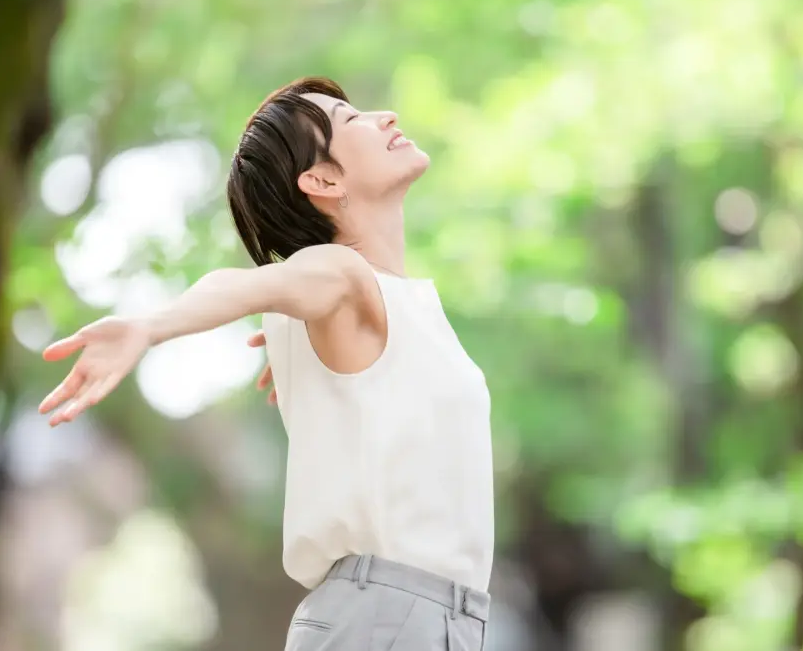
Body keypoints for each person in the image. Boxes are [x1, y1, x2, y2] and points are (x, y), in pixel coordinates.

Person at [38, 77, 494, 650]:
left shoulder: (382, 304)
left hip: (430, 620)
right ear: (322, 180)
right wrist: (149, 326)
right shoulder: (341, 273)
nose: (388, 117)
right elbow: (239, 284)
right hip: (389, 617)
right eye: (351, 121)